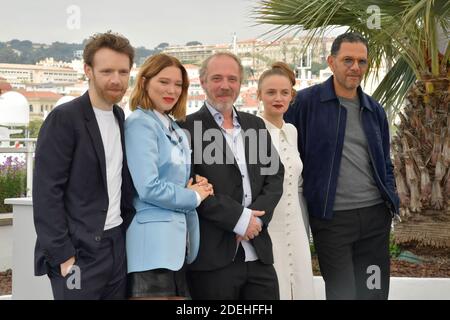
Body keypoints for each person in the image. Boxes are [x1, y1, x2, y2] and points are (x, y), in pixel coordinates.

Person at [285, 32, 400, 300]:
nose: (355, 67)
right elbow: (283, 149)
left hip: (374, 218)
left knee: (374, 293)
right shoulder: (305, 103)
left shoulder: (374, 110)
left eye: (361, 61)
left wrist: (390, 198)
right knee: (342, 294)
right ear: (331, 62)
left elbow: (384, 161)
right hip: (331, 220)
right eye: (348, 60)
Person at [33, 31, 136, 300]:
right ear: (87, 70)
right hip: (78, 254)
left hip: (115, 246)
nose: (116, 79)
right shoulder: (64, 118)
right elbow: (46, 194)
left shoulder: (118, 116)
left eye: (123, 72)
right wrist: (64, 257)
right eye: (107, 71)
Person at [179, 52, 284, 300]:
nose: (225, 86)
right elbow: (191, 187)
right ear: (202, 82)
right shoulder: (186, 128)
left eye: (232, 79)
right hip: (212, 259)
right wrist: (239, 220)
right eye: (216, 78)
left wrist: (255, 220)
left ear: (240, 83)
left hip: (259, 255)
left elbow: (274, 177)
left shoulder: (254, 125)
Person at [124, 54, 213, 300]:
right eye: (164, 82)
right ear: (144, 82)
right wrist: (193, 197)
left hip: (176, 247)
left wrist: (196, 186)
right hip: (151, 247)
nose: (171, 90)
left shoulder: (174, 127)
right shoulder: (140, 124)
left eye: (178, 84)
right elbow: (148, 187)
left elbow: (176, 179)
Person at [257, 62, 315, 300]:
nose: (277, 98)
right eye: (270, 92)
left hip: (296, 223)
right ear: (259, 95)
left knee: (301, 284)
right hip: (269, 224)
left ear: (292, 95)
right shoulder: (254, 130)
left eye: (284, 92)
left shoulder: (292, 131)